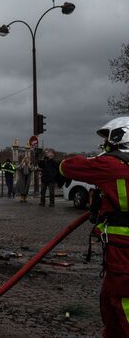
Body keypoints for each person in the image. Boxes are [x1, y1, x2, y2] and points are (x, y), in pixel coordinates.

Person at [59, 117, 129, 337]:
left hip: (123, 247)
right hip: (118, 248)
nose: (104, 145)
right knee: (111, 298)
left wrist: (96, 156)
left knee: (121, 300)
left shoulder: (112, 164)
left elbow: (68, 167)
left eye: (107, 140)